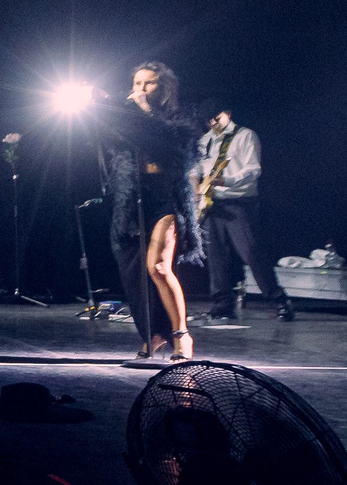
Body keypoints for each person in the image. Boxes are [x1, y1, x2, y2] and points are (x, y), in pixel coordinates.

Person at [89, 60, 205, 359]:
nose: (141, 89)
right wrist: (100, 104)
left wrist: (143, 109)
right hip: (133, 199)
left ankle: (182, 335)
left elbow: (169, 146)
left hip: (167, 198)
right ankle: (153, 334)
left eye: (149, 83)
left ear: (164, 88)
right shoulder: (125, 117)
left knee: (158, 267)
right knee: (134, 274)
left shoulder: (181, 119)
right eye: (137, 83)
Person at [194, 104, 295, 323]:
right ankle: (222, 304)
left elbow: (253, 169)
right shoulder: (204, 141)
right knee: (216, 256)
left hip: (239, 202)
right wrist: (195, 191)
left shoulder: (246, 136)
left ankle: (279, 299)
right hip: (212, 204)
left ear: (228, 114)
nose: (213, 123)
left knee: (250, 252)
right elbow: (195, 169)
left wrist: (225, 180)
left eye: (216, 117)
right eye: (208, 120)